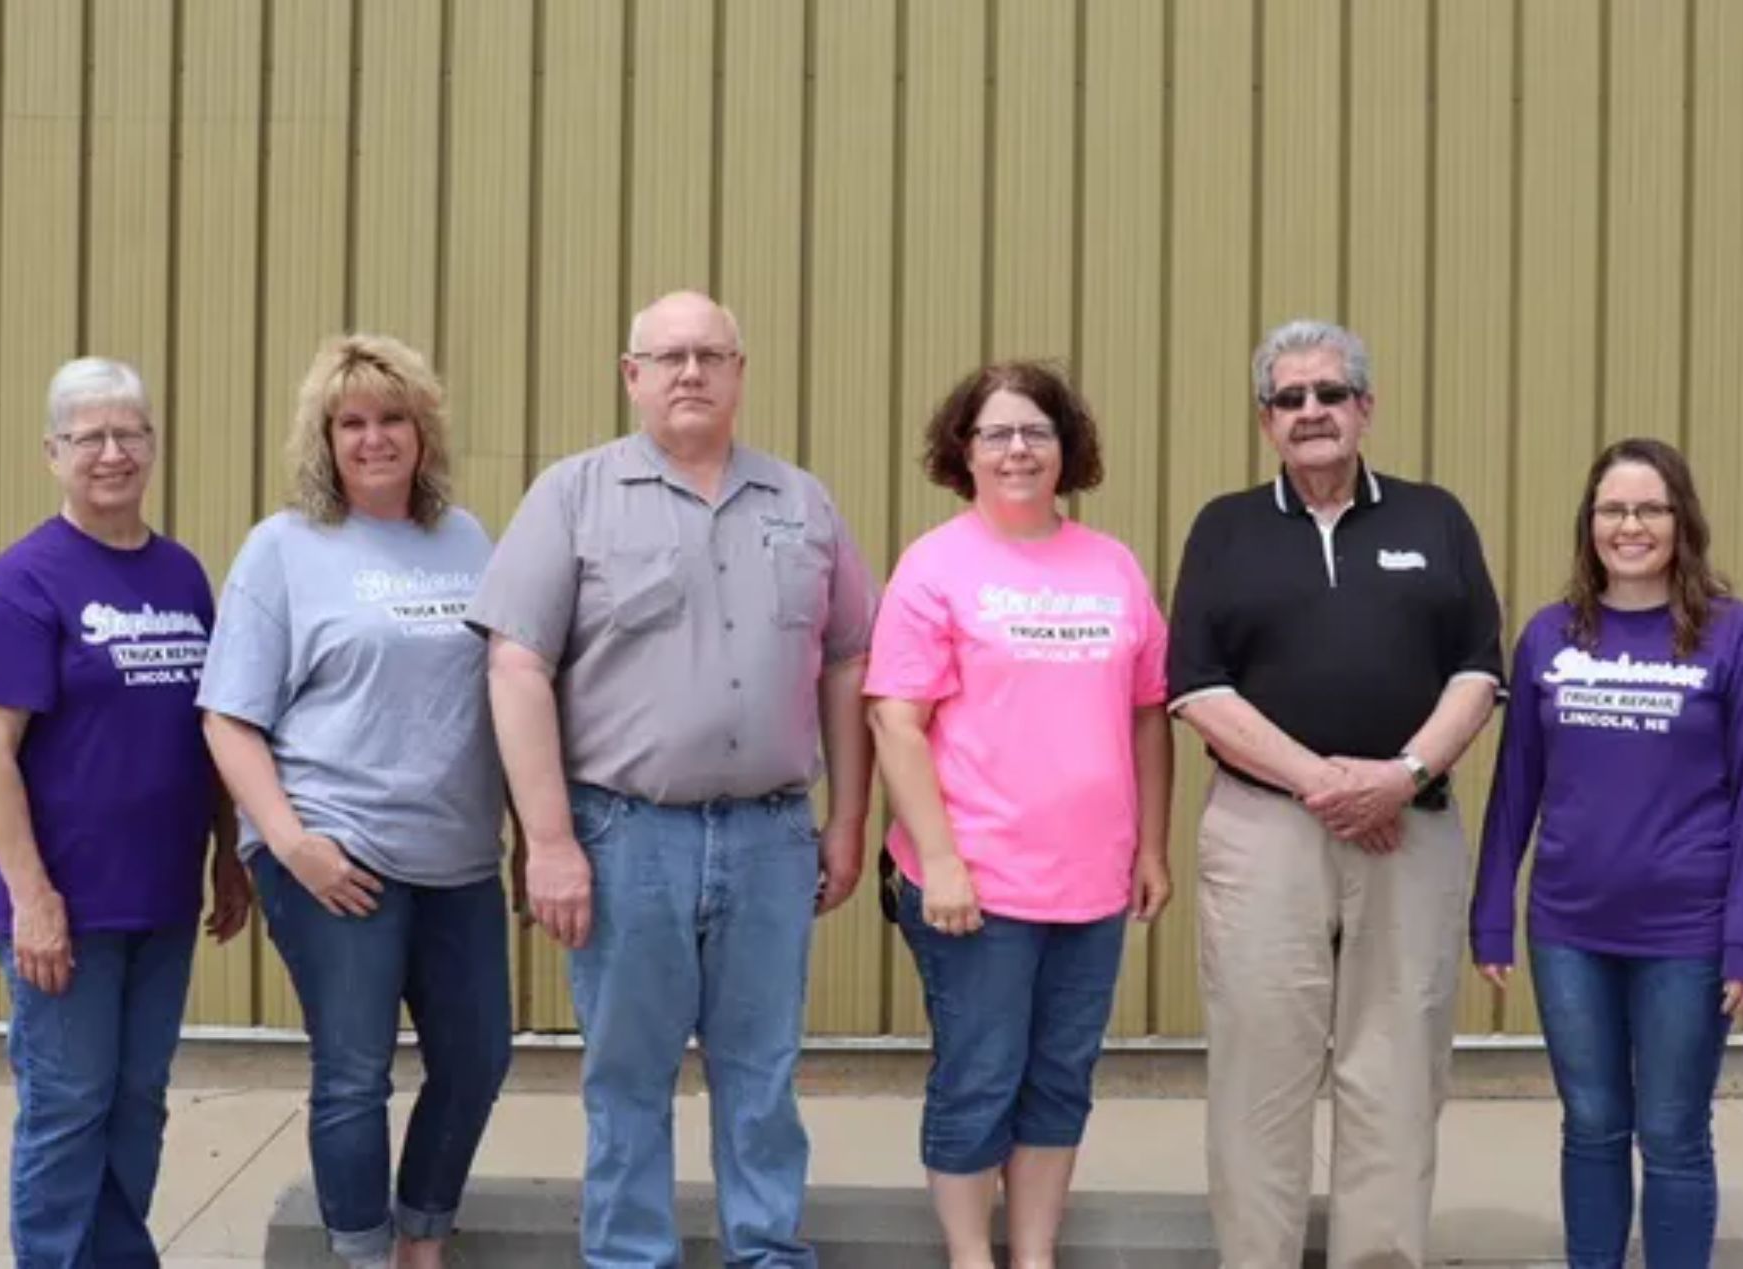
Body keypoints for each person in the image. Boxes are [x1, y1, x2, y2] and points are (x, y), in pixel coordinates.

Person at [468, 290, 877, 1267]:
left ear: (740, 372)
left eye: (709, 355)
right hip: (624, 837)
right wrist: (552, 841)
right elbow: (516, 666)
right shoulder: (572, 496)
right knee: (627, 1077)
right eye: (668, 357)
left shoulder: (801, 503)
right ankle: (628, 1258)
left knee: (763, 1073)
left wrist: (849, 818)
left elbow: (850, 662)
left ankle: (767, 1251)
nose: (689, 373)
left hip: (772, 836)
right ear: (631, 376)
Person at [1166, 319, 1503, 1268]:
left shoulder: (1435, 518)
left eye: (1329, 392)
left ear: (1365, 406)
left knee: (1395, 1072)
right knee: (1258, 1074)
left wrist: (1399, 778)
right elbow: (1196, 684)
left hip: (1411, 827)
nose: (1310, 411)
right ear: (1265, 419)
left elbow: (1479, 670)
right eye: (1289, 397)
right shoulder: (1224, 528)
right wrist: (1324, 783)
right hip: (1267, 829)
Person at [198, 334, 512, 1269]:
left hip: (456, 856)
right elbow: (227, 716)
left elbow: (506, 693)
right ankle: (362, 1253)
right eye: (352, 422)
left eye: (393, 419)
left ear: (424, 431)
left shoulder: (466, 540)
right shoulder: (285, 547)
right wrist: (291, 845)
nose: (374, 439)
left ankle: (423, 1235)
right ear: (325, 440)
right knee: (354, 1071)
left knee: (478, 1057)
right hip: (334, 854)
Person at [865, 361, 1174, 1269]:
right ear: (964, 452)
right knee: (980, 1075)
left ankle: (1033, 1253)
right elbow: (895, 721)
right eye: (995, 433)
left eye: (1035, 431)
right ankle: (971, 1254)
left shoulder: (1111, 564)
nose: (1017, 449)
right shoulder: (937, 565)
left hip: (1092, 883)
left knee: (1059, 1078)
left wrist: (1151, 845)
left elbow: (1148, 711)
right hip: (977, 887)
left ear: (1065, 447)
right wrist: (943, 861)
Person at [0, 357, 250, 1268]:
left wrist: (226, 855)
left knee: (137, 1101)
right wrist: (34, 898)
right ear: (54, 453)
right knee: (68, 1104)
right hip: (64, 911)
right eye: (91, 437)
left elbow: (209, 731)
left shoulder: (182, 575)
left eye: (130, 433)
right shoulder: (25, 581)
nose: (113, 453)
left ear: (154, 447)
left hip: (159, 902)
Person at [1470, 437, 1743, 1269]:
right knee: (1591, 1122)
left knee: (1675, 1132)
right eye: (1613, 509)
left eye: (1650, 507)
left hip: (1688, 934)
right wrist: (1491, 913)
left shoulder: (1737, 637)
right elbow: (1515, 788)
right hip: (1569, 927)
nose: (1631, 525)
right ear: (1590, 524)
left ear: (1682, 520)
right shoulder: (1549, 636)